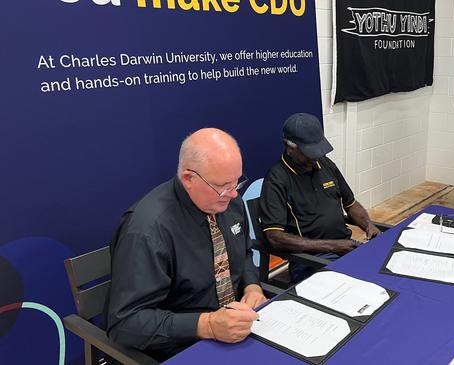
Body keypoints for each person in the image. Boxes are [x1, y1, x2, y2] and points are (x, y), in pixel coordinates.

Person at [105, 128, 266, 361]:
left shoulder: (228, 203)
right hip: (179, 345)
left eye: (237, 182)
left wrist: (252, 287)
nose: (232, 194)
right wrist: (208, 325)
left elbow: (244, 254)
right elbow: (125, 323)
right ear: (189, 178)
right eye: (223, 186)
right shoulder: (147, 230)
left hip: (236, 328)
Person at [259, 113, 380, 282]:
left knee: (385, 270)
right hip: (310, 260)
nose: (315, 157)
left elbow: (351, 204)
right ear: (290, 147)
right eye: (309, 152)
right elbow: (275, 238)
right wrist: (332, 245)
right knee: (362, 283)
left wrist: (368, 225)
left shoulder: (326, 164)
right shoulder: (276, 180)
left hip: (344, 247)